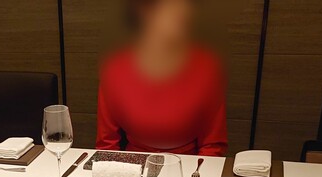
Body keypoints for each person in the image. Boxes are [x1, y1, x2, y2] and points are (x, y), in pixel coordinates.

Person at [96, 0, 228, 157]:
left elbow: (212, 145)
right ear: (144, 11)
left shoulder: (207, 66)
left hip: (190, 164)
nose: (184, 11)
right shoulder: (115, 69)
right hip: (134, 165)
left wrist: (196, 170)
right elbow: (107, 145)